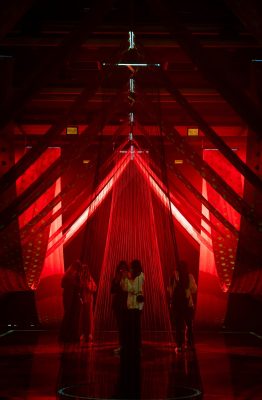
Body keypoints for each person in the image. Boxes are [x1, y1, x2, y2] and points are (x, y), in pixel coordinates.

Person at [168, 260, 197, 352]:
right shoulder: (189, 276)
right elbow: (194, 289)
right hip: (187, 304)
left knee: (178, 326)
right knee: (189, 325)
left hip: (177, 305)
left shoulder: (173, 276)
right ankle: (189, 344)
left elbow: (171, 292)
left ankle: (179, 345)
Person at [121, 259, 145, 353]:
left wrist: (126, 278)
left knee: (136, 326)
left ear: (135, 268)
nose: (130, 269)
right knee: (132, 326)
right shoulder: (134, 277)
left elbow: (132, 289)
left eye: (131, 267)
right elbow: (124, 288)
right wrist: (124, 278)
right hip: (131, 305)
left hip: (136, 305)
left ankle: (137, 346)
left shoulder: (140, 277)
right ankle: (133, 345)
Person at [59, 260, 82, 343]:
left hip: (73, 299)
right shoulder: (69, 276)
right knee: (68, 315)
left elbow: (79, 287)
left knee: (72, 316)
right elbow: (63, 284)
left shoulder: (74, 276)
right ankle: (65, 335)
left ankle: (70, 335)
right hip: (69, 298)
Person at [110, 260, 129, 353]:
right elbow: (112, 291)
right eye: (121, 269)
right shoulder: (116, 279)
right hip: (118, 305)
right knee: (121, 327)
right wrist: (117, 281)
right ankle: (122, 346)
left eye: (124, 269)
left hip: (127, 305)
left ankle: (126, 345)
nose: (122, 271)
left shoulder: (129, 278)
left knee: (127, 327)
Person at [79, 263, 97, 345]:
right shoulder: (80, 278)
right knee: (83, 317)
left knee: (89, 317)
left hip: (89, 300)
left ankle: (89, 333)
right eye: (83, 270)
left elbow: (94, 288)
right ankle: (82, 333)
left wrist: (88, 286)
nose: (84, 271)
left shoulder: (90, 278)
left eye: (85, 270)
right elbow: (79, 289)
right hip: (82, 300)